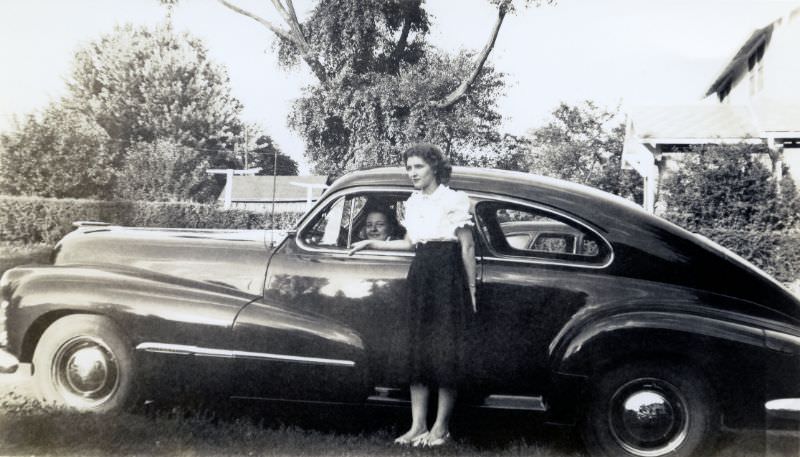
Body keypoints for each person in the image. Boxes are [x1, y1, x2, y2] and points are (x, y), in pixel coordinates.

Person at [349, 143, 476, 447]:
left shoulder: (453, 200)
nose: (412, 173)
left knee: (444, 352)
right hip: (421, 274)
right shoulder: (413, 202)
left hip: (447, 275)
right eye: (409, 168)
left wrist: (471, 290)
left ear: (434, 167)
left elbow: (467, 246)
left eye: (418, 167)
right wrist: (373, 245)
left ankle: (440, 428)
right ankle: (417, 425)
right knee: (417, 350)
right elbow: (409, 243)